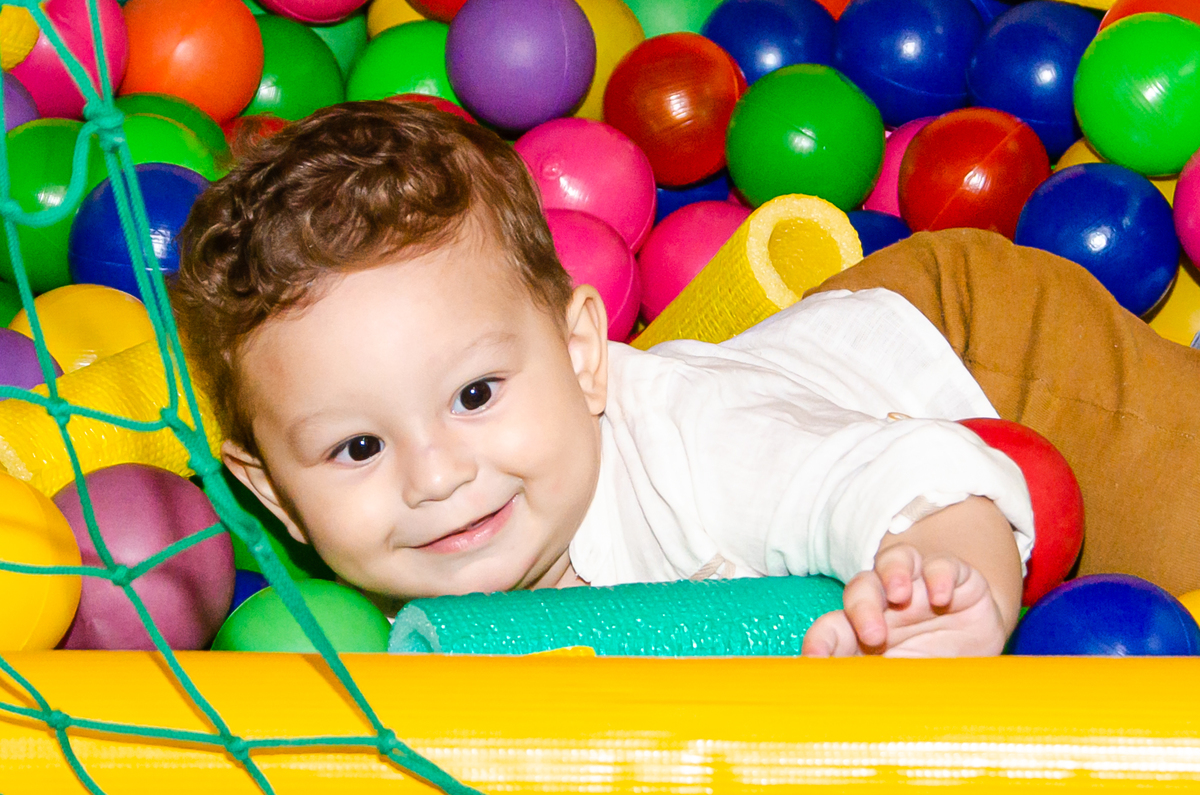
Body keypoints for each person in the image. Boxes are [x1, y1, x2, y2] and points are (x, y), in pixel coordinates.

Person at [170, 101, 1192, 659]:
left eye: (475, 395)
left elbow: (909, 474)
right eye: (358, 447)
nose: (434, 477)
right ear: (275, 495)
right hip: (796, 375)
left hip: (984, 351)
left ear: (581, 354)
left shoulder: (700, 453)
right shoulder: (365, 614)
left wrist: (939, 586)